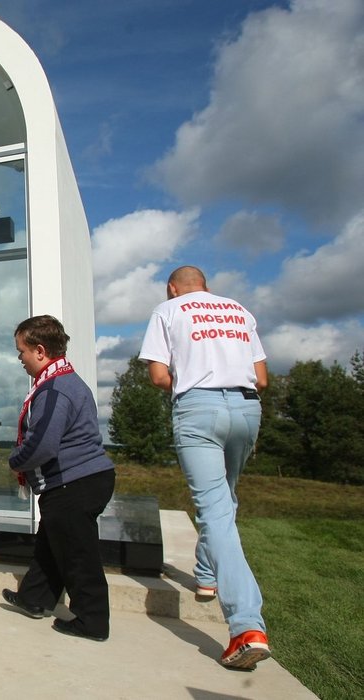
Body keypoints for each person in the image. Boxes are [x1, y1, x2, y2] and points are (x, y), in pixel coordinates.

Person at [139, 265, 270, 670]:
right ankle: (206, 575)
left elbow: (159, 375)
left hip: (198, 408)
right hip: (247, 408)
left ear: (171, 288)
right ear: (207, 287)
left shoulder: (169, 310)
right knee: (224, 501)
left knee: (214, 509)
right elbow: (262, 378)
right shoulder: (239, 311)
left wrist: (191, 375)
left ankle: (246, 626)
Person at [1, 315, 115, 642]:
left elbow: (43, 444)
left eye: (21, 351)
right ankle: (34, 598)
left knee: (78, 556)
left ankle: (92, 622)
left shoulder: (54, 389)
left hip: (73, 483)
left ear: (39, 351)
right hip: (83, 479)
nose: (19, 359)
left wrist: (15, 461)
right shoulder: (68, 381)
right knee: (52, 544)